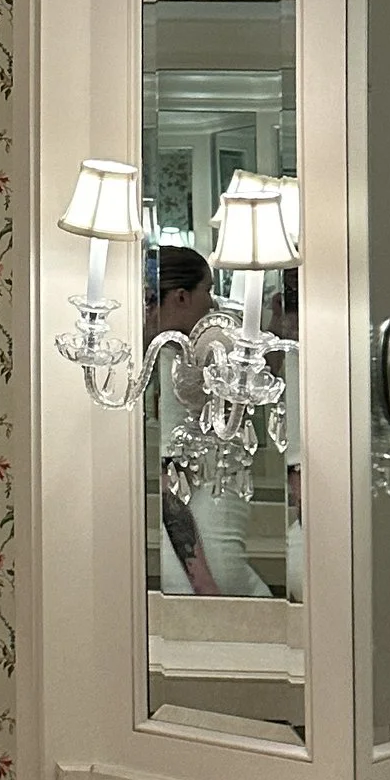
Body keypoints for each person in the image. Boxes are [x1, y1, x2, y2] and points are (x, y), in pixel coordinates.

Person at [142, 245, 271, 600]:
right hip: (208, 549)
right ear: (182, 297)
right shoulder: (178, 366)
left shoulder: (183, 358)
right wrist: (203, 583)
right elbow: (171, 487)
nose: (213, 302)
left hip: (205, 542)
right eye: (208, 290)